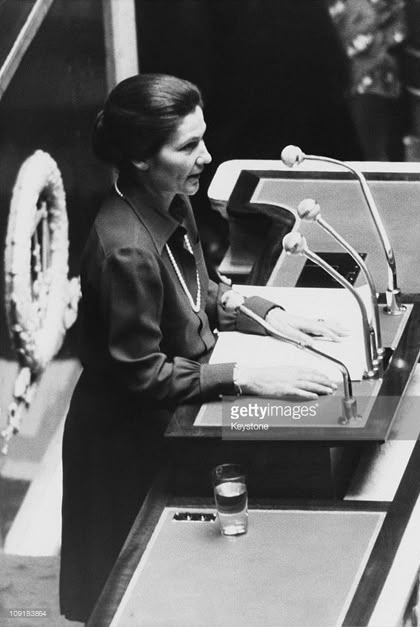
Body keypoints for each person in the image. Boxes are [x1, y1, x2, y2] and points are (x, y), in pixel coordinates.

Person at [59, 73, 343, 622]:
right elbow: (144, 377)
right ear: (141, 158)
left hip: (171, 420)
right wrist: (244, 376)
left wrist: (271, 315)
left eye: (203, 139)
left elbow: (201, 289)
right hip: (126, 446)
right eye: (188, 146)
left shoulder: (170, 200)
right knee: (133, 595)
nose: (207, 157)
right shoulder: (126, 253)